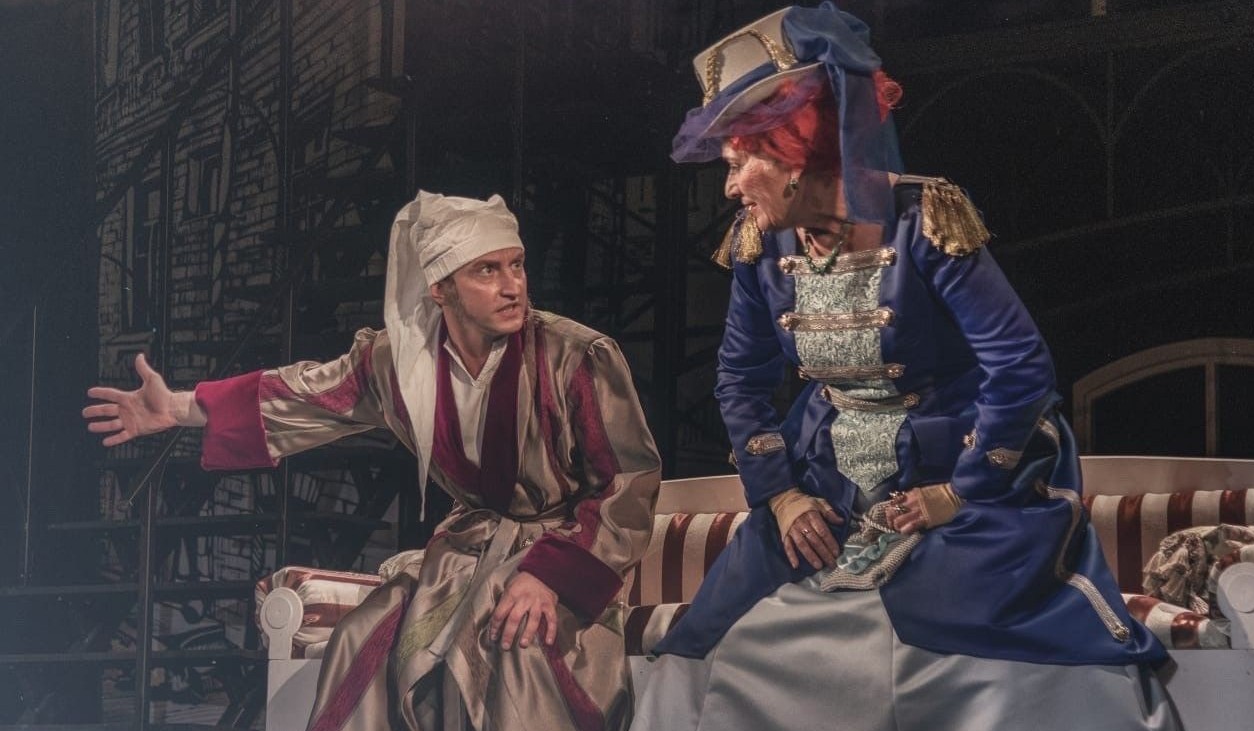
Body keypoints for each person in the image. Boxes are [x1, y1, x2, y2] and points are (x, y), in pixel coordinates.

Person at [632, 5, 1182, 730]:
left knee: (971, 631)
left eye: (739, 164)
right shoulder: (760, 246)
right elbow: (739, 378)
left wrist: (961, 491)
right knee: (714, 628)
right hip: (827, 477)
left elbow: (1019, 366)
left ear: (792, 152)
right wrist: (782, 496)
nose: (730, 187)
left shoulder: (924, 221)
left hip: (958, 467)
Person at [83, 191, 662, 731]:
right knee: (362, 638)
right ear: (440, 288)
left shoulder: (575, 356)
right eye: (487, 271)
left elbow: (628, 482)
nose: (512, 286)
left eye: (517, 265)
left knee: (515, 648)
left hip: (563, 560)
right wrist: (178, 408)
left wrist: (547, 577)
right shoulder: (399, 363)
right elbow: (304, 393)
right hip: (465, 560)